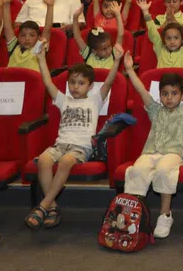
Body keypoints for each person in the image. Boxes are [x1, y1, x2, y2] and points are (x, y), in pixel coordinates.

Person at [27, 50, 121, 230]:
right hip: (60, 144)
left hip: (81, 147)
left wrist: (116, 61)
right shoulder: (64, 100)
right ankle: (52, 207)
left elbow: (109, 82)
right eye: (72, 82)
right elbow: (47, 82)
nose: (75, 87)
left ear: (91, 86)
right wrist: (40, 59)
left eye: (81, 83)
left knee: (65, 162)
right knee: (44, 160)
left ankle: (43, 206)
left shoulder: (95, 100)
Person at [122, 51, 183, 239]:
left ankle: (165, 214)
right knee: (137, 170)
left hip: (174, 153)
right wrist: (129, 69)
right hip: (151, 152)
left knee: (163, 170)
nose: (169, 98)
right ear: (160, 95)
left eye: (174, 94)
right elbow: (141, 90)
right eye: (165, 94)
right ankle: (132, 215)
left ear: (182, 95)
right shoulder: (154, 110)